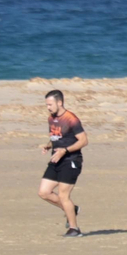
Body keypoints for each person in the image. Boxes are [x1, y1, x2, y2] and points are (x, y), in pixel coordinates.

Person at [38, 89, 87, 237]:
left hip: (71, 160)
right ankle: (73, 209)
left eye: (50, 104)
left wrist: (64, 150)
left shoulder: (71, 118)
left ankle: (74, 229)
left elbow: (84, 141)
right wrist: (49, 145)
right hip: (56, 159)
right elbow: (56, 136)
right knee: (43, 192)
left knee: (64, 196)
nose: (48, 107)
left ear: (59, 102)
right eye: (46, 104)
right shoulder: (51, 118)